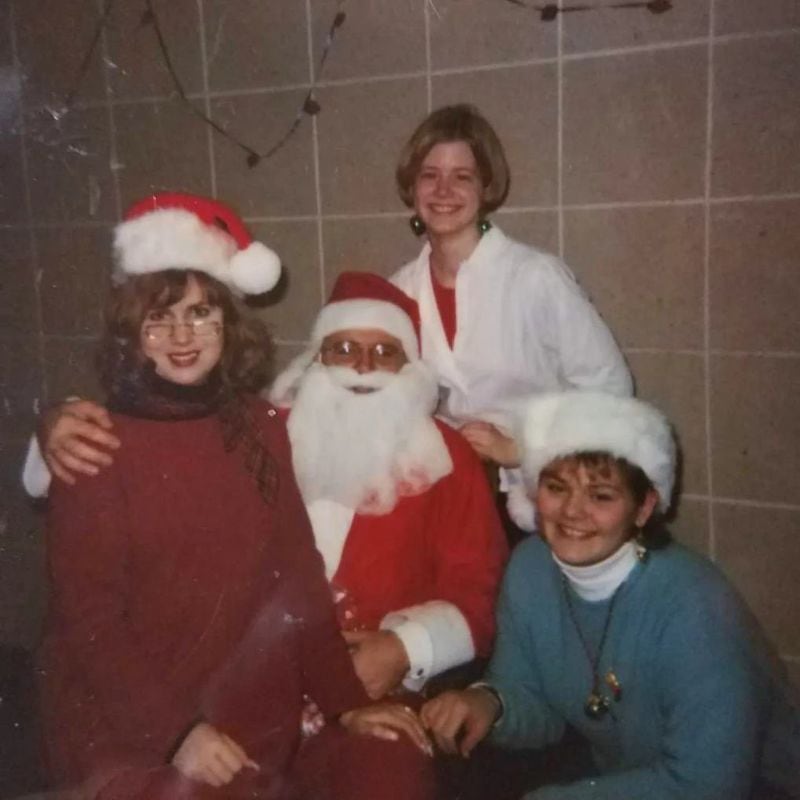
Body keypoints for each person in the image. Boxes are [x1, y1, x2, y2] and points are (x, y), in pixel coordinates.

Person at [38, 192, 435, 800]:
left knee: (392, 768)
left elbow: (299, 576)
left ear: (228, 320)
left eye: (200, 313)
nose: (181, 336)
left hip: (251, 712)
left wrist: (347, 702)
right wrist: (179, 735)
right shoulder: (93, 444)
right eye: (158, 318)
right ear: (131, 333)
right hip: (135, 730)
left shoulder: (259, 426)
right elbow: (90, 627)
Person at [420, 391, 800, 800]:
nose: (572, 511)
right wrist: (489, 704)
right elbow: (534, 703)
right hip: (628, 777)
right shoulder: (530, 569)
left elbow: (709, 785)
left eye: (601, 496)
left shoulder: (695, 606)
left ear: (643, 508)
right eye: (556, 487)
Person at [268, 271, 508, 702]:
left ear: (408, 366)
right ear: (316, 358)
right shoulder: (265, 438)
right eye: (343, 349)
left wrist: (402, 649)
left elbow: (479, 589)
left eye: (384, 351)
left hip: (384, 687)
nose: (363, 366)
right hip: (269, 674)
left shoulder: (447, 457)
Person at [391, 104, 632, 530]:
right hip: (450, 495)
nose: (443, 190)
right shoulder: (400, 289)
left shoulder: (535, 276)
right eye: (430, 175)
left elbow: (611, 389)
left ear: (486, 187)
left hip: (542, 500)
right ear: (412, 187)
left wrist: (522, 448)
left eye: (462, 176)